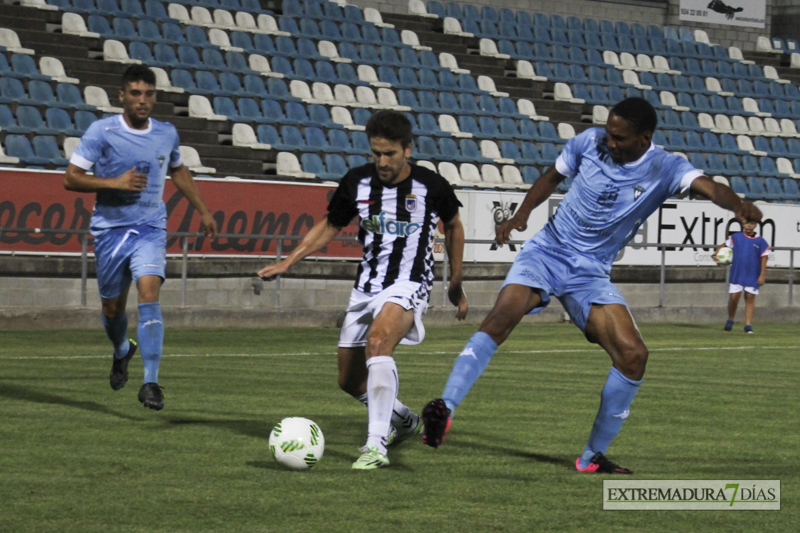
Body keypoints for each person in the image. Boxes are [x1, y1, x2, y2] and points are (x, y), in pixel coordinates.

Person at [421, 97, 762, 474]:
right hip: (547, 252)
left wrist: (738, 206)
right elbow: (552, 176)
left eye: (619, 137)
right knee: (502, 316)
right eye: (608, 133)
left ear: (645, 136)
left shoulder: (665, 167)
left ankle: (591, 456)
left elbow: (710, 188)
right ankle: (445, 410)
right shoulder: (588, 142)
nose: (609, 142)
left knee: (633, 356)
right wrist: (521, 215)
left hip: (590, 274)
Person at [258, 110, 468, 470]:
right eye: (376, 154)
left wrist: (455, 283)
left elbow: (454, 226)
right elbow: (330, 225)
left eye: (390, 154)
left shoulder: (431, 185)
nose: (382, 162)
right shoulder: (357, 183)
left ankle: (375, 446)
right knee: (349, 380)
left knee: (379, 341)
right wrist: (289, 261)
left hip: (410, 281)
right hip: (366, 286)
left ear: (407, 149)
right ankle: (405, 420)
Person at [63, 65, 217, 411]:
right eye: (135, 93)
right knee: (112, 308)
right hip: (110, 232)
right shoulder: (101, 132)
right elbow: (71, 178)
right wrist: (114, 183)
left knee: (149, 292)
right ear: (122, 96)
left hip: (149, 227)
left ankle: (151, 382)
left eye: (148, 94)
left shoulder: (166, 133)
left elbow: (177, 169)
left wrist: (203, 210)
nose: (142, 100)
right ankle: (121, 349)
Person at [713, 219, 769, 333]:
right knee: (734, 297)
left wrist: (762, 275)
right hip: (737, 272)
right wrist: (716, 254)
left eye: (752, 223)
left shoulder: (760, 241)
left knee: (749, 297)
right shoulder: (736, 237)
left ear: (755, 225)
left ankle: (748, 324)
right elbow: (723, 245)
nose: (749, 225)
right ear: (743, 224)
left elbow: (764, 258)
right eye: (747, 223)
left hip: (752, 273)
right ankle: (730, 319)